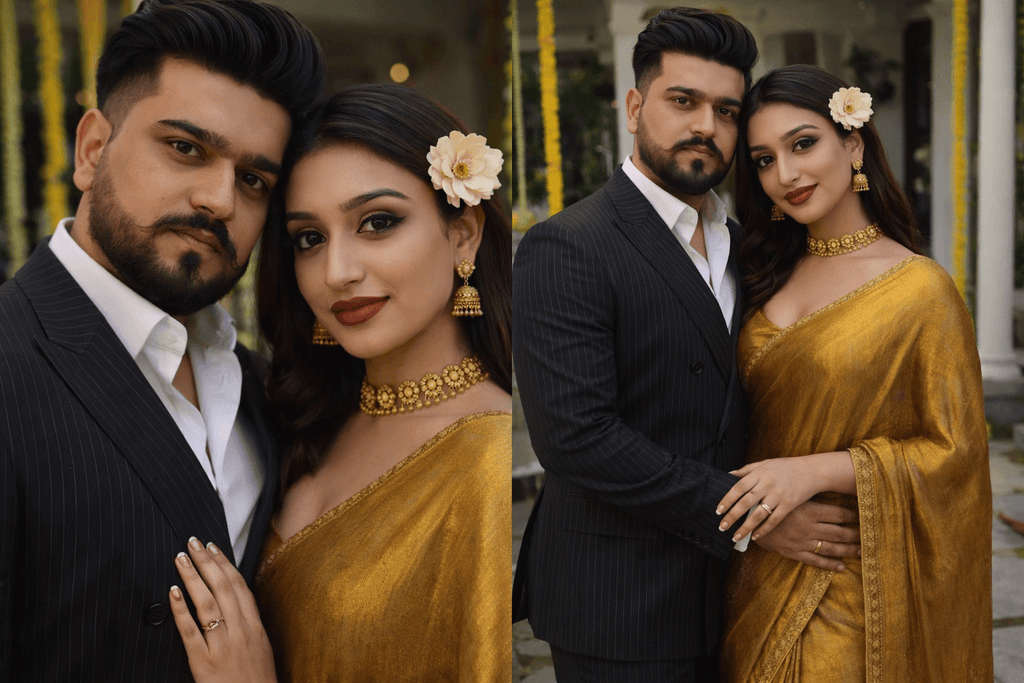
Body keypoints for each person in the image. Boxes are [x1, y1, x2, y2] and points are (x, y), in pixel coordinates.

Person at [511, 8, 860, 682]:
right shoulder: (569, 245)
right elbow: (578, 437)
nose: (706, 124)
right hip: (620, 599)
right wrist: (752, 518)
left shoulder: (749, 245)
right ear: (636, 106)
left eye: (727, 111)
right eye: (684, 101)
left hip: (734, 590)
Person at [0, 1, 324, 679]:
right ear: (92, 150)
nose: (219, 199)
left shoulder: (266, 389)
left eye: (253, 179)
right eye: (185, 148)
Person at [165, 84, 513, 682]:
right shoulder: (291, 416)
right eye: (309, 238)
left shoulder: (492, 461)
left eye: (378, 222)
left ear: (463, 233)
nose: (337, 273)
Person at [715, 64, 992, 681]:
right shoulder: (757, 276)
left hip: (850, 583)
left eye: (803, 143)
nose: (784, 175)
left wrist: (815, 469)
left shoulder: (921, 291)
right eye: (762, 160)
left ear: (854, 143)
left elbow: (956, 452)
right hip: (754, 569)